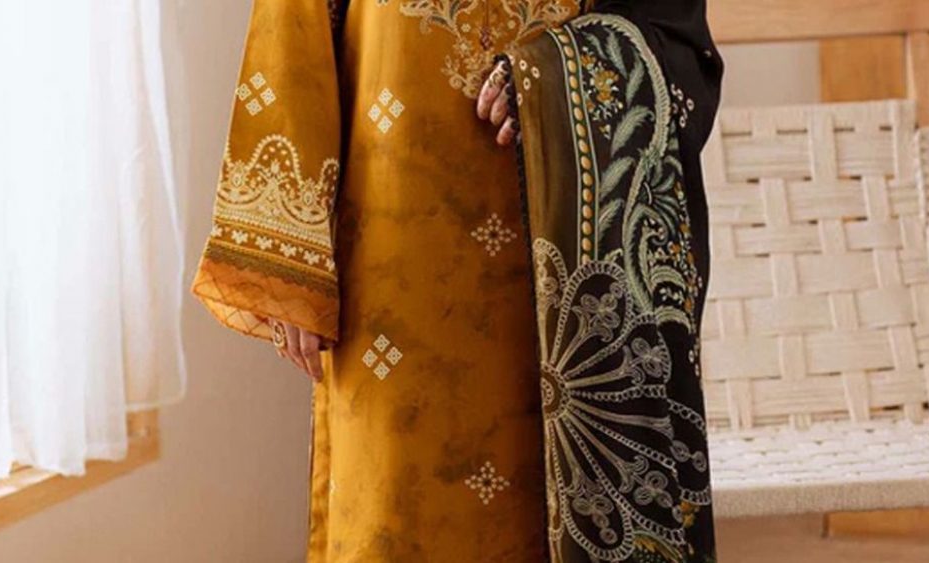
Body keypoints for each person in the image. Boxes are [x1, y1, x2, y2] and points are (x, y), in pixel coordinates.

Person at [191, 1, 722, 561]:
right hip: (393, 256)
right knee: (394, 501)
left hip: (560, 251)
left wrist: (551, 82)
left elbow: (673, 34)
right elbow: (291, 23)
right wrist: (289, 248)